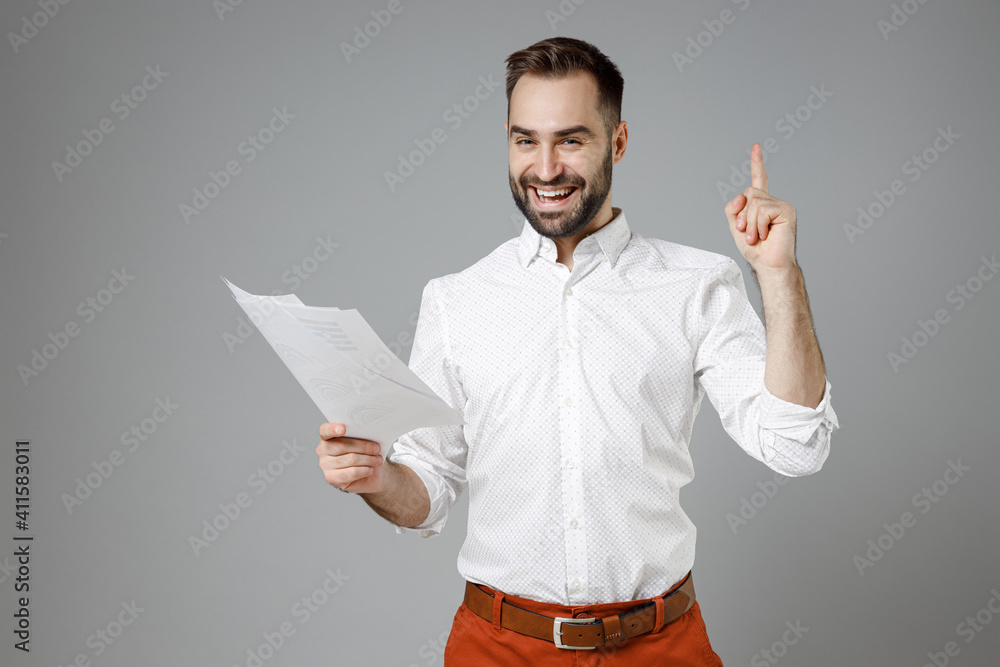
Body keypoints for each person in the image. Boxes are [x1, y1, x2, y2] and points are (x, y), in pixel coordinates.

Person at [315, 37, 839, 665]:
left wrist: (779, 276)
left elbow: (796, 446)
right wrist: (377, 478)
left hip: (660, 647)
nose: (545, 168)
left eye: (570, 140)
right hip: (498, 648)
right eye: (525, 140)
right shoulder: (456, 301)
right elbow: (429, 484)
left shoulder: (697, 284)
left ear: (616, 142)